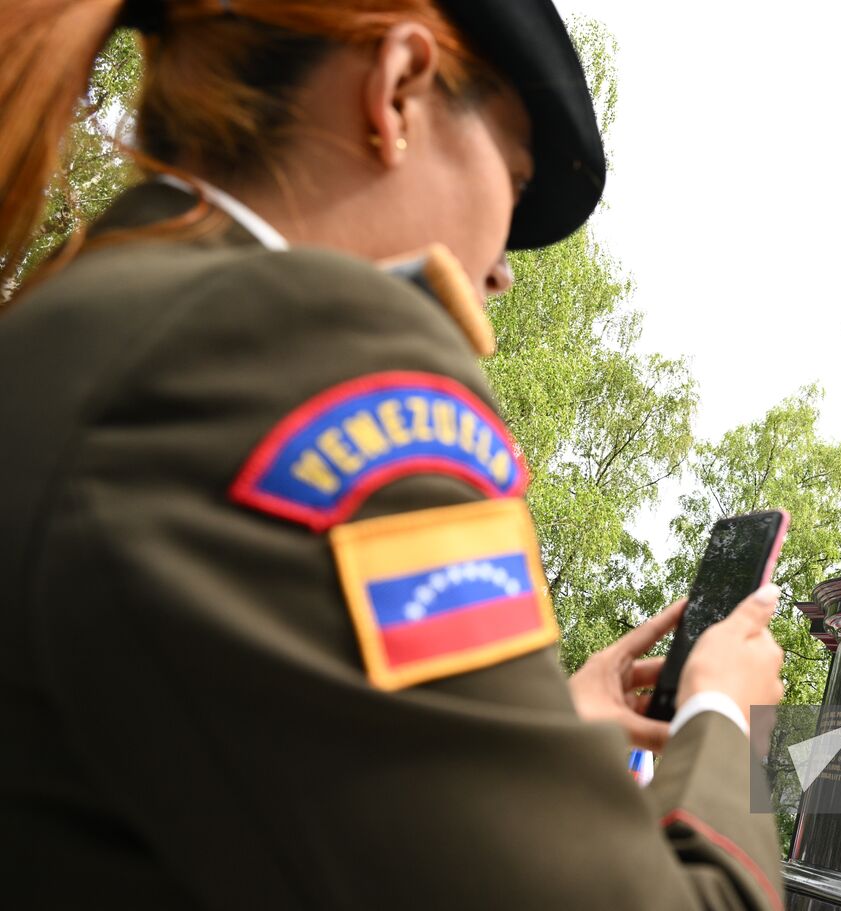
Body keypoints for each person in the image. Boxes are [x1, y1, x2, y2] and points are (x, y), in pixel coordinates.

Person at [0, 2, 786, 908]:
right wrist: (730, 716)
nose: (503, 272)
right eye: (517, 178)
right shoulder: (302, 355)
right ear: (398, 88)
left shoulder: (77, 312)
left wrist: (519, 731)